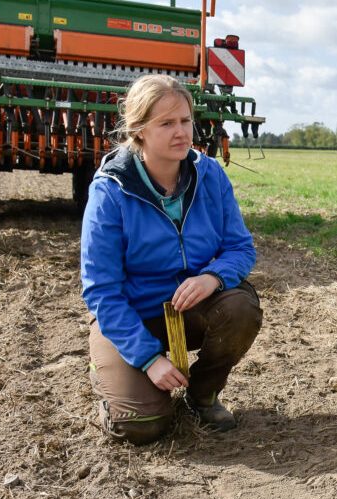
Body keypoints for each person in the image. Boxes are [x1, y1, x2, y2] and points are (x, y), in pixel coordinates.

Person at [80, 74, 263, 445]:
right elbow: (102, 291)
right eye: (166, 123)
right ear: (139, 130)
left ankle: (202, 394)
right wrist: (150, 359)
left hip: (188, 310)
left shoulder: (210, 175)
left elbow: (241, 248)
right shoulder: (110, 192)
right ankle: (113, 381)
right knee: (143, 426)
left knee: (241, 306)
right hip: (132, 318)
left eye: (184, 121)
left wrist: (212, 277)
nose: (181, 132)